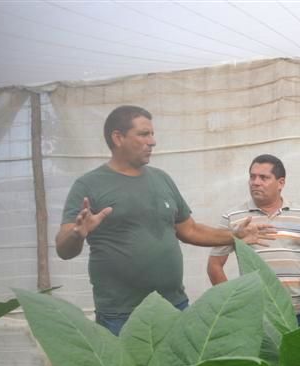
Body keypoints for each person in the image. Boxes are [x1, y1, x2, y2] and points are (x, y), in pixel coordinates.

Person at [56, 105, 274, 335]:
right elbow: (64, 249)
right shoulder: (90, 185)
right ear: (118, 137)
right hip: (121, 314)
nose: (152, 142)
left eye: (152, 134)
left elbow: (190, 230)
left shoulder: (162, 180)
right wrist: (76, 235)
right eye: (143, 134)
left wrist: (235, 236)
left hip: (173, 305)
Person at [207, 154, 300, 325]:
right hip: (256, 317)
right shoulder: (233, 217)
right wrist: (232, 305)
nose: (255, 182)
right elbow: (214, 265)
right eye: (252, 177)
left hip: (299, 314)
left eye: (264, 177)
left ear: (281, 183)